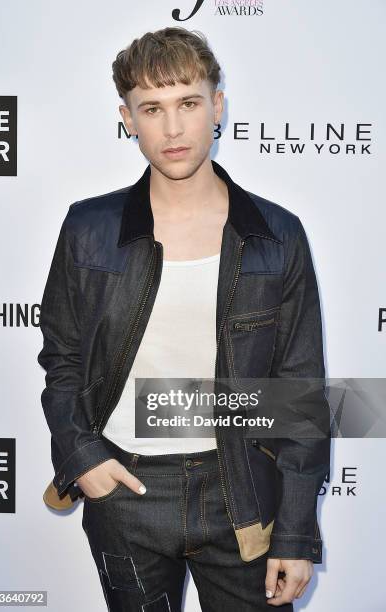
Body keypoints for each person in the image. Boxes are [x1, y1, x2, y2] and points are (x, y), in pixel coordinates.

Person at [38, 26, 331, 611]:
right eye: (152, 108)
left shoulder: (276, 236)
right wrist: (82, 459)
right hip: (126, 490)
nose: (172, 129)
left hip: (243, 490)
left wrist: (296, 532)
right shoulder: (88, 229)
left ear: (216, 106)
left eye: (188, 104)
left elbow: (300, 394)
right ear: (128, 118)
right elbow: (62, 359)